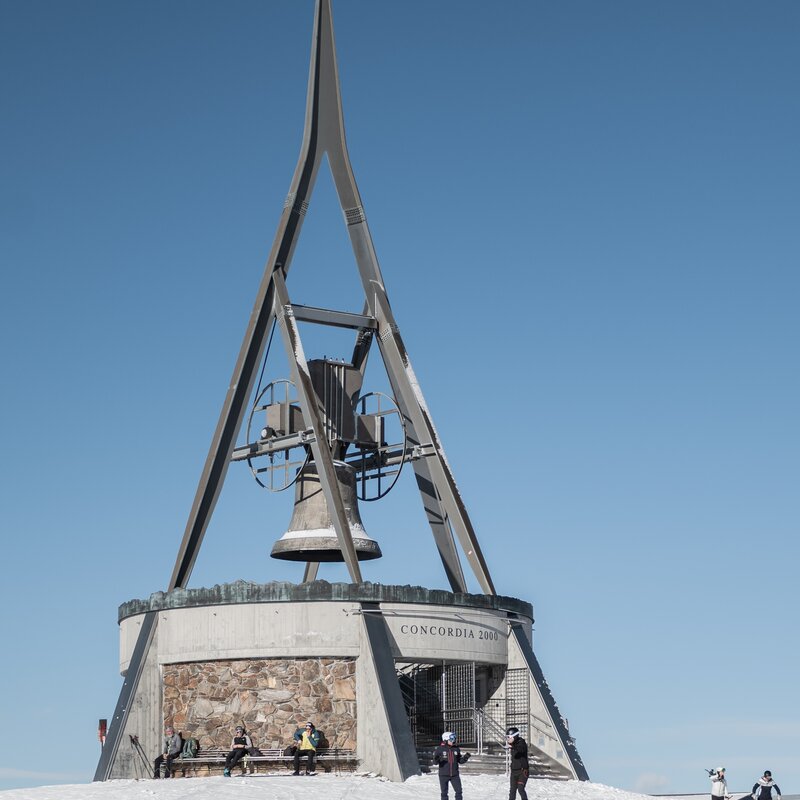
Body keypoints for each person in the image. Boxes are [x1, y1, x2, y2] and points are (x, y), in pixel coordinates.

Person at [433, 731, 470, 800]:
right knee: (444, 793)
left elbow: (460, 761)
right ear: (445, 740)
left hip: (454, 775)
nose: (453, 741)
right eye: (451, 739)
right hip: (443, 775)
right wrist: (436, 759)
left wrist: (465, 758)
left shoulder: (456, 749)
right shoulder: (440, 749)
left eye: (454, 739)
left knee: (459, 791)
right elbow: (435, 763)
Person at [506, 727, 529, 800]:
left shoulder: (521, 742)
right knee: (512, 790)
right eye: (507, 737)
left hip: (522, 771)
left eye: (509, 737)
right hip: (514, 771)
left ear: (514, 736)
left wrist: (512, 746)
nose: (508, 739)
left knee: (520, 789)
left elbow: (521, 750)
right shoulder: (513, 744)